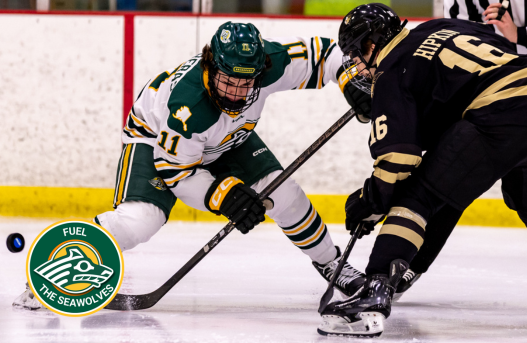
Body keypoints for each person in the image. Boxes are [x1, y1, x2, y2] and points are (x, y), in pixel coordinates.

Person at [13, 21, 366, 310]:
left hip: (228, 139)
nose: (237, 93)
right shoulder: (188, 106)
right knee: (140, 222)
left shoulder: (266, 64)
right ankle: (50, 269)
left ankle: (331, 263)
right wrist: (225, 197)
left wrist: (351, 80)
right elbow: (177, 174)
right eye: (229, 80)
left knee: (285, 194)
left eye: (247, 82)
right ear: (212, 65)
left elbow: (326, 55)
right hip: (157, 142)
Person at [318, 4, 527, 337]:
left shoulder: (390, 70)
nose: (360, 68)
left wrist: (371, 200)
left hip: (502, 110)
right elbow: (490, 57)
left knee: (417, 196)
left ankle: (374, 291)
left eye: (356, 55)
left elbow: (398, 159)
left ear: (370, 45)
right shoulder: (439, 26)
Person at [399, 0, 527, 298]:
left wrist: (521, 35)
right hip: (492, 87)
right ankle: (406, 265)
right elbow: (460, 33)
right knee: (450, 172)